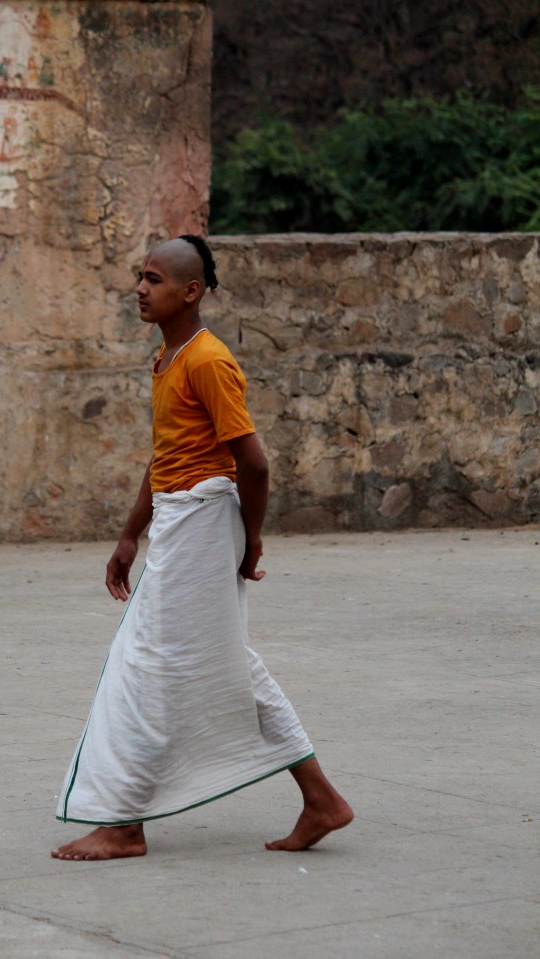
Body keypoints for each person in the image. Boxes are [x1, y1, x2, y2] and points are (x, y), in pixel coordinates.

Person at [51, 236, 353, 861]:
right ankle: (321, 799)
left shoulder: (209, 360)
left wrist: (251, 540)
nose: (140, 289)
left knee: (145, 662)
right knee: (225, 661)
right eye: (141, 277)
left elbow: (255, 464)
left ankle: (124, 825)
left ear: (190, 292)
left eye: (154, 279)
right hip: (178, 519)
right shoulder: (168, 359)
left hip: (205, 522)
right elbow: (164, 455)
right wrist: (130, 533)